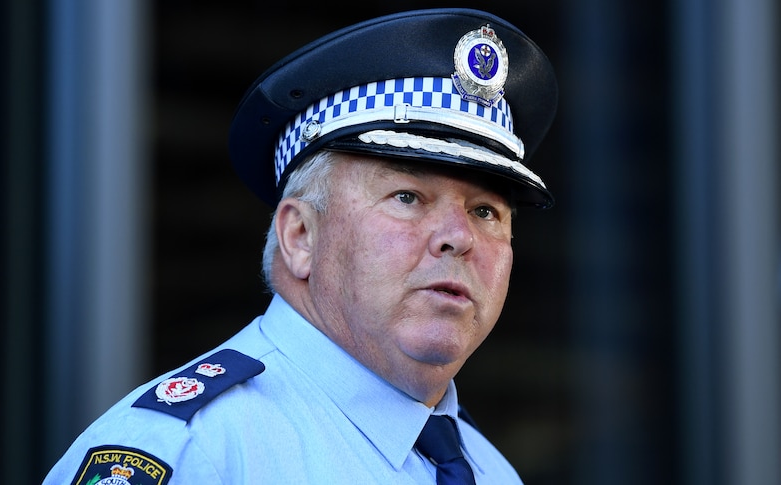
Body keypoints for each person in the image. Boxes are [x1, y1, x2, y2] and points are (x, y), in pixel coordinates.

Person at [43, 7, 557, 485]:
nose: (460, 237)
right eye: (407, 196)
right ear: (300, 237)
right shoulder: (193, 453)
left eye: (485, 211)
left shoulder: (490, 471)